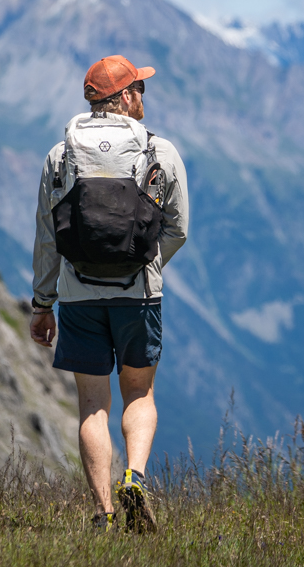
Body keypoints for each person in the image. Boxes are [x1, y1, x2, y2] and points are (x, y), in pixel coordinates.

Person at [30, 55, 190, 533]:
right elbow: (178, 228)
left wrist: (43, 302)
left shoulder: (60, 157)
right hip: (139, 294)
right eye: (138, 88)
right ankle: (135, 478)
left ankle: (103, 513)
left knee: (91, 404)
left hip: (78, 297)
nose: (143, 96)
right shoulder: (159, 153)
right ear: (122, 98)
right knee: (138, 393)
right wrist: (147, 264)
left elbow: (47, 234)